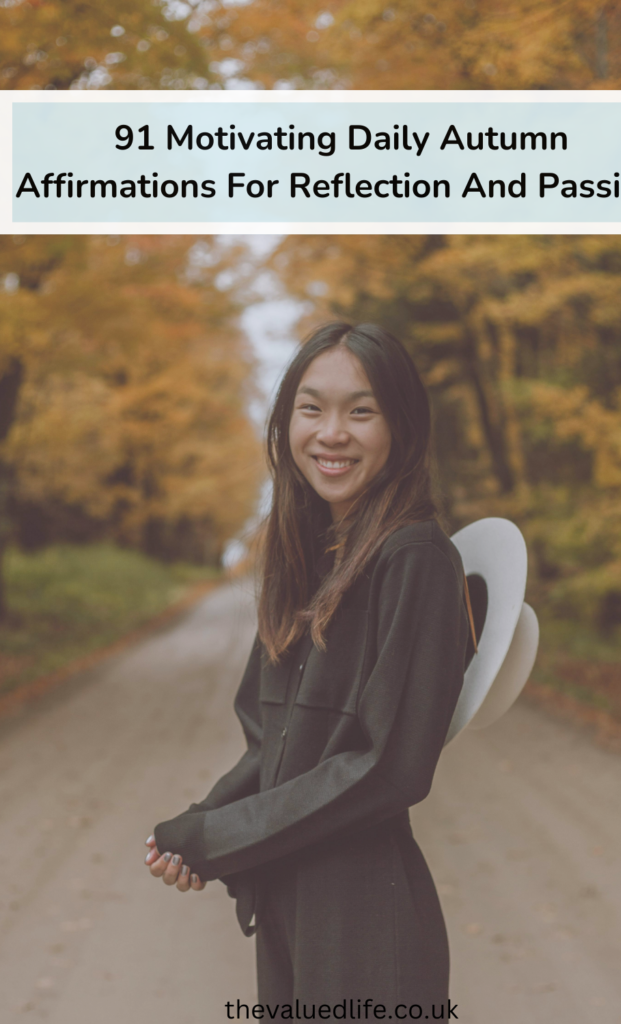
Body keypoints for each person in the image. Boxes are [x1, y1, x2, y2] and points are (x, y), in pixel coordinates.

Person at [144, 321, 470, 1013]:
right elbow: (272, 740)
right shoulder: (312, 559)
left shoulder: (413, 556)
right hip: (290, 892)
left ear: (401, 426)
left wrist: (217, 838)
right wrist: (203, 823)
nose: (332, 433)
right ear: (285, 421)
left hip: (361, 911)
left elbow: (388, 766)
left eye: (361, 410)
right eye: (311, 408)